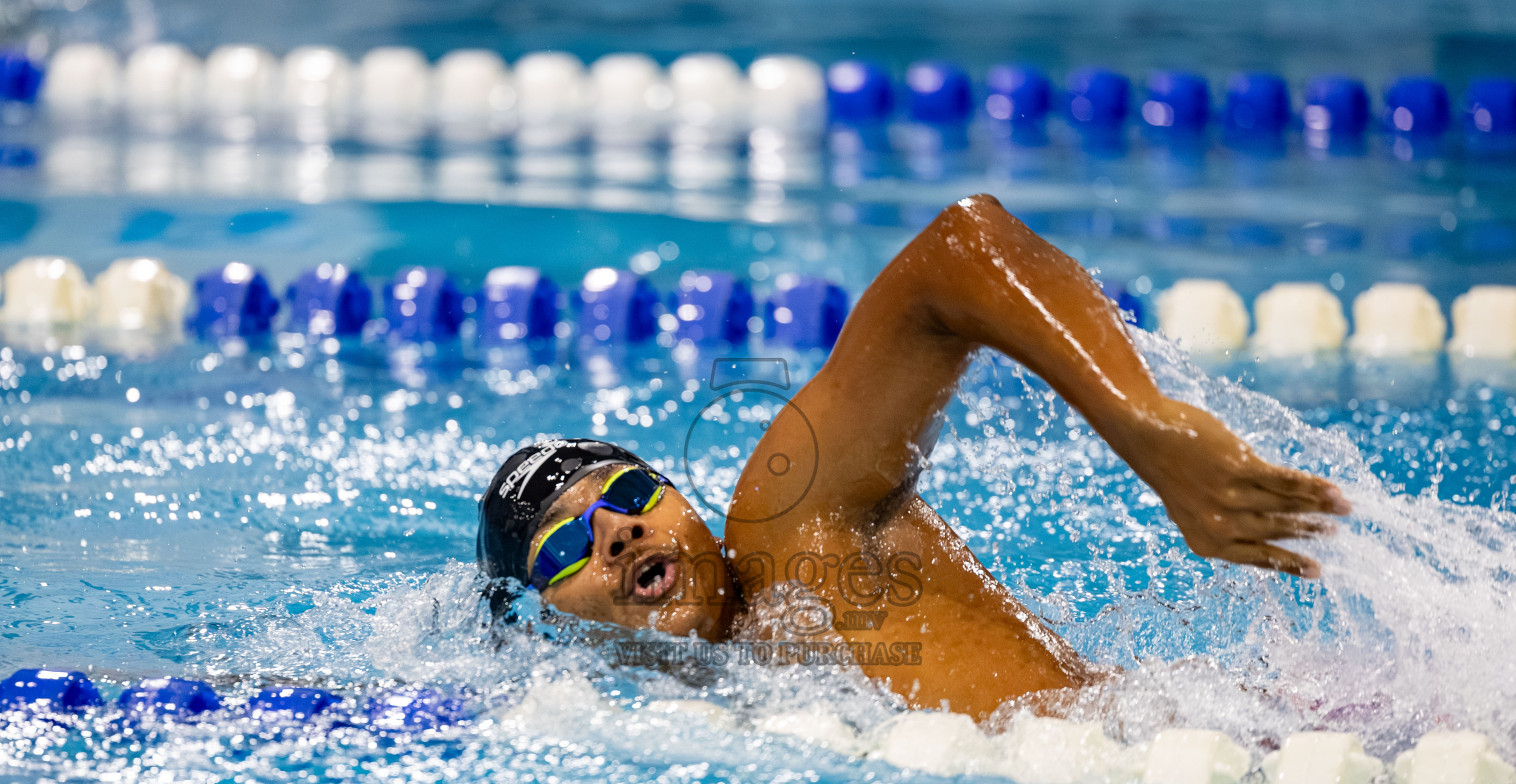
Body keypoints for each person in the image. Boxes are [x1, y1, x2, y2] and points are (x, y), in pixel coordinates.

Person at [477, 195, 1351, 720]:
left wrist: (1143, 429)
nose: (618, 535)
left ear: (679, 497)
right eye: (564, 548)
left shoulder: (794, 533)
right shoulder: (682, 709)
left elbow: (958, 254)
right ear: (545, 617)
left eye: (628, 495)